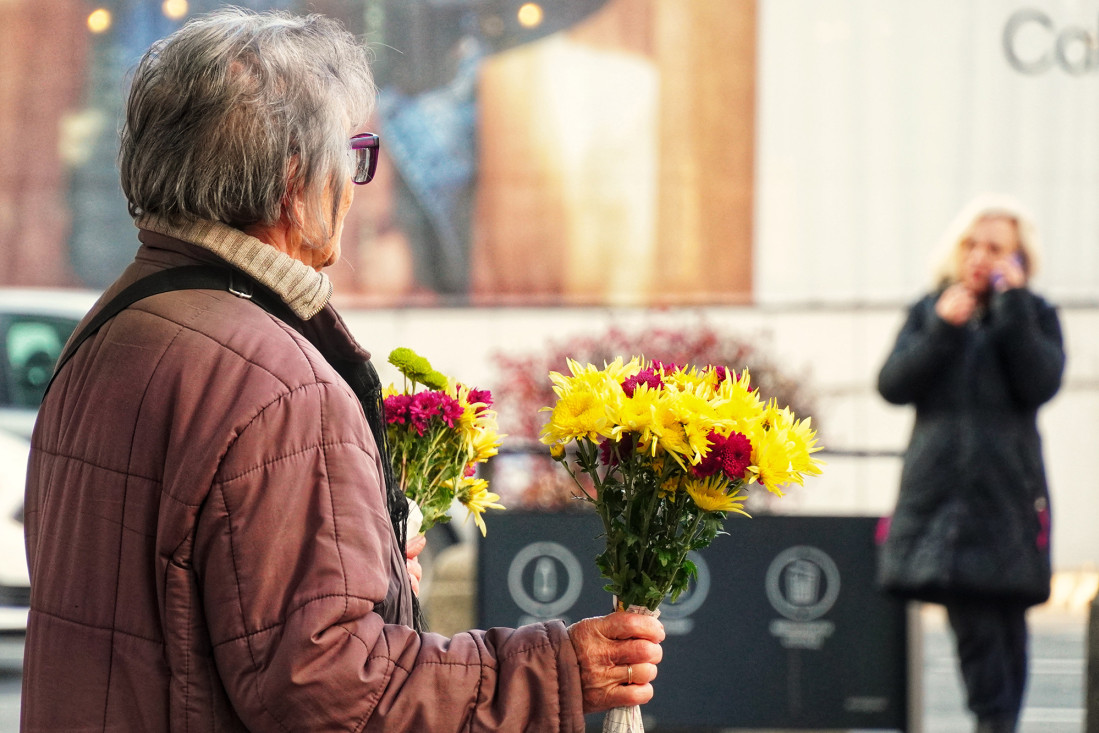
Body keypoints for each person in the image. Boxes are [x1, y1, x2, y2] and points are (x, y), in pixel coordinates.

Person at [21, 9, 663, 731]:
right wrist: (556, 670)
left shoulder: (111, 331)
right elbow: (333, 691)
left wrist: (374, 584)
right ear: (297, 175)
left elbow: (184, 614)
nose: (357, 190)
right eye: (355, 154)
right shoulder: (277, 384)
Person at [876, 194, 1065, 733]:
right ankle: (995, 723)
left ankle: (998, 722)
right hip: (945, 502)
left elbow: (1041, 381)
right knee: (977, 623)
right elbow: (892, 384)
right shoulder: (931, 309)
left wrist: (1011, 308)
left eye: (996, 248)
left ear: (1020, 259)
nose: (981, 256)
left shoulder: (1034, 314)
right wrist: (941, 328)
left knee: (1008, 626)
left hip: (1008, 497)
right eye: (972, 244)